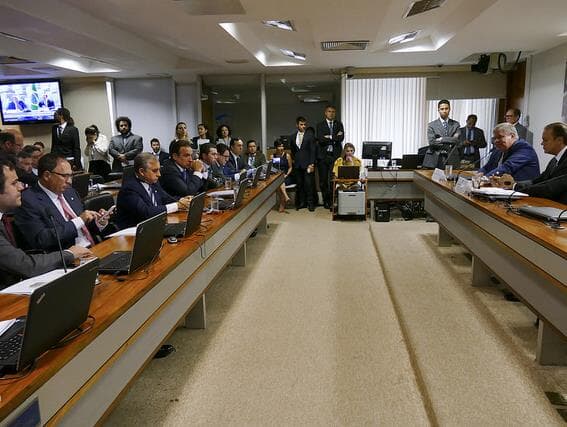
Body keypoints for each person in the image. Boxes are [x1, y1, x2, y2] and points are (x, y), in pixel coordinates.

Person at [0, 158, 91, 290]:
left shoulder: (70, 192)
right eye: (14, 183)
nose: (21, 187)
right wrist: (69, 254)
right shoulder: (29, 201)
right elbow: (26, 265)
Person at [15, 154, 112, 252]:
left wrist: (99, 222)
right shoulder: (28, 200)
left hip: (94, 248)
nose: (69, 181)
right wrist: (78, 221)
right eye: (65, 176)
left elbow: (84, 225)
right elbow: (41, 239)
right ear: (47, 175)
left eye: (71, 176)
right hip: (68, 256)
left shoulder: (70, 192)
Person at [114, 153, 191, 229]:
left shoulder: (153, 182)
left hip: (154, 226)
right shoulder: (129, 188)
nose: (159, 174)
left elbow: (166, 198)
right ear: (141, 172)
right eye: (155, 171)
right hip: (133, 232)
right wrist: (177, 205)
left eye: (159, 170)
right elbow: (146, 213)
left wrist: (183, 201)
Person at [511, 122, 567, 203]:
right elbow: (537, 181)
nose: (541, 143)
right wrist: (513, 183)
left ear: (559, 140)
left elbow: (549, 189)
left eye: (545, 140)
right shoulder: (554, 161)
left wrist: (515, 186)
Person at [316, 105, 345, 209]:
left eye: (333, 111)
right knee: (323, 181)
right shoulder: (320, 125)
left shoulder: (339, 124)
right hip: (323, 157)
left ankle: (332, 201)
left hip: (334, 156)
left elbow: (341, 138)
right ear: (325, 113)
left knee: (332, 180)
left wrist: (328, 136)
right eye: (329, 111)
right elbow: (321, 139)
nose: (331, 113)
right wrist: (334, 137)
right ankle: (326, 201)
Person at [290, 116, 316, 211]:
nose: (303, 126)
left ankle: (311, 204)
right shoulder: (293, 136)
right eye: (301, 124)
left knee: (309, 184)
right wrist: (294, 160)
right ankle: (302, 203)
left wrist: (312, 163)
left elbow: (313, 150)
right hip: (297, 164)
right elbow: (293, 150)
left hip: (308, 164)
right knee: (300, 184)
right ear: (297, 125)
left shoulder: (310, 136)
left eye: (305, 124)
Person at [270, 139, 293, 212]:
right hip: (276, 176)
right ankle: (285, 198)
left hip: (286, 176)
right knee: (278, 181)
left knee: (280, 181)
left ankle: (282, 203)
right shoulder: (272, 156)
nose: (281, 148)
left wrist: (286, 174)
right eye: (279, 146)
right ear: (276, 147)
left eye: (282, 146)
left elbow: (290, 167)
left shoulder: (287, 155)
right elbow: (270, 168)